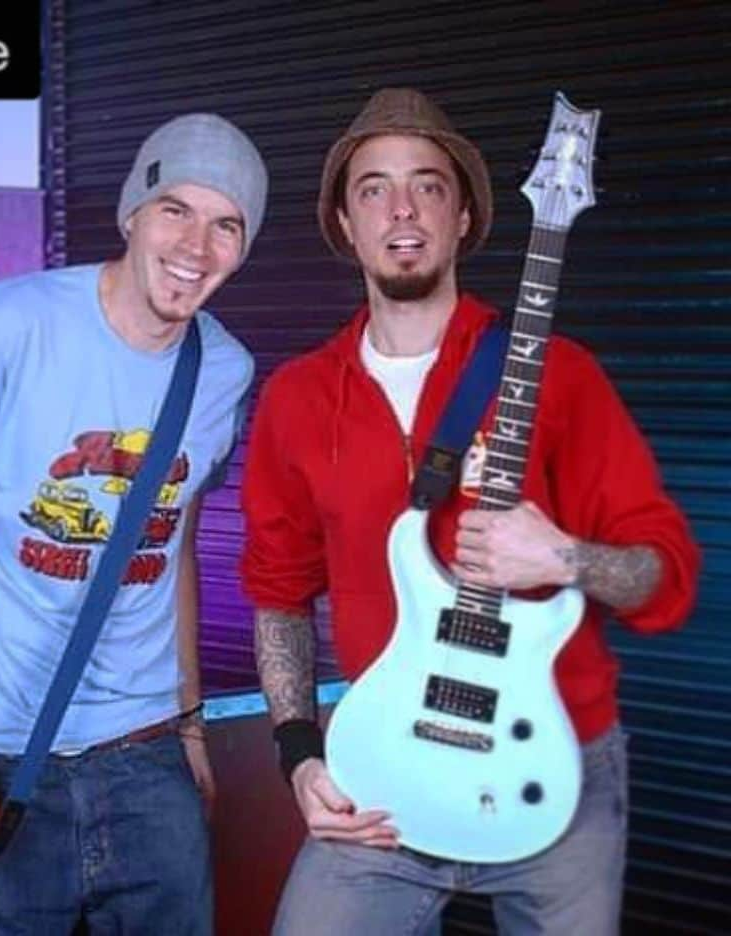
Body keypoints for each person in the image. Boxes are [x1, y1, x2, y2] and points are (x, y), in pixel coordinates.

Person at [240, 87, 699, 935]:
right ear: (345, 222)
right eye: (373, 188)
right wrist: (300, 756)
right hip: (381, 776)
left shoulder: (560, 374)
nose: (402, 209)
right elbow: (279, 592)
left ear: (463, 219)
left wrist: (565, 560)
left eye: (428, 185)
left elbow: (665, 576)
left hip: (554, 770)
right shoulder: (297, 399)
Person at [0, 112, 267, 934]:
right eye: (176, 210)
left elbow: (176, 536)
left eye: (227, 225)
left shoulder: (226, 371)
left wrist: (188, 721)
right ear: (132, 215)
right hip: (1, 757)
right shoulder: (5, 325)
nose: (197, 245)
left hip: (147, 758)